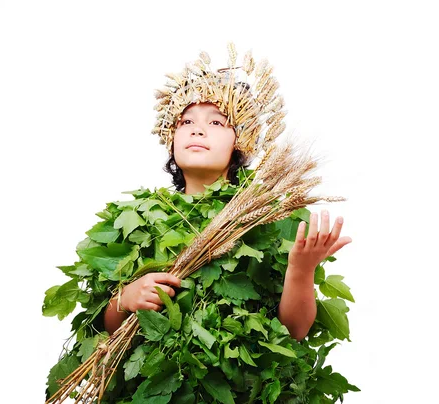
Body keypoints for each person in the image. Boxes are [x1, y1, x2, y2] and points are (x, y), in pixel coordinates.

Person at [103, 46, 352, 341]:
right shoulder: (136, 219)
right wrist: (123, 299)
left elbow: (293, 332)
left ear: (240, 141)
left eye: (216, 122)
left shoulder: (268, 219)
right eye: (186, 122)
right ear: (171, 137)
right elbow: (107, 333)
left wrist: (301, 268)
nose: (197, 130)